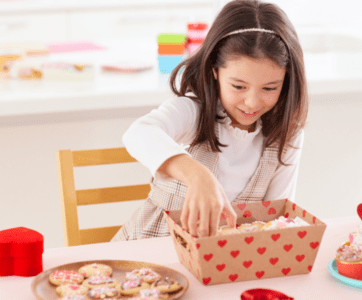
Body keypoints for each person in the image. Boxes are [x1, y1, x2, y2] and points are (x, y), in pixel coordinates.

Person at [111, 0, 308, 241]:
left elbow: (276, 221)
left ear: (286, 81)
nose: (252, 102)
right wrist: (196, 175)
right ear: (215, 71)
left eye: (269, 88)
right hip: (151, 249)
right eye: (238, 86)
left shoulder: (286, 136)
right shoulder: (194, 111)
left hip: (225, 263)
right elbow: (139, 133)